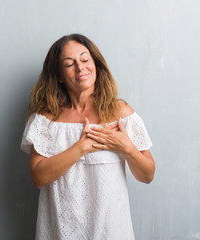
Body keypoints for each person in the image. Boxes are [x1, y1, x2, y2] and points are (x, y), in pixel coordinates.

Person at [20, 34, 155, 240]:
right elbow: (39, 178)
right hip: (60, 230)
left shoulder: (121, 114)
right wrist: (81, 147)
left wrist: (126, 147)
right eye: (69, 64)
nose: (80, 68)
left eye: (85, 60)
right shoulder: (45, 120)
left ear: (96, 65)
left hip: (111, 231)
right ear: (58, 74)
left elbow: (147, 175)